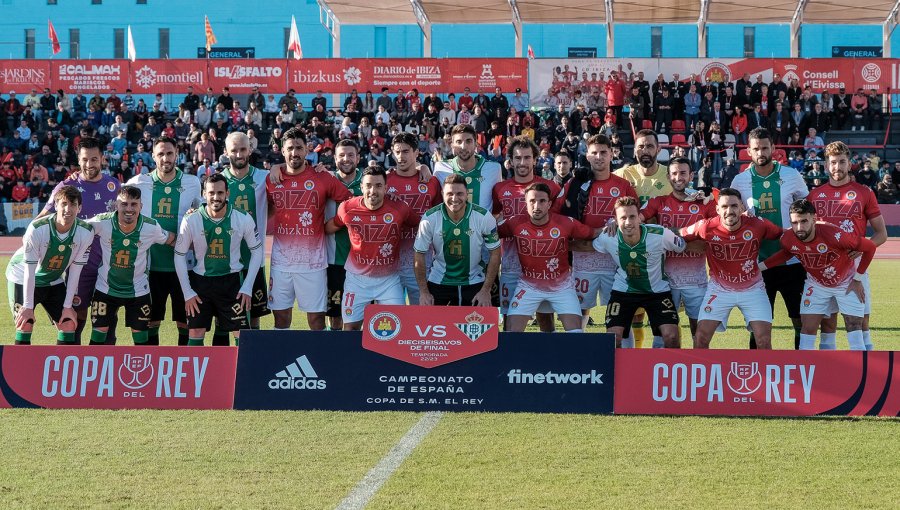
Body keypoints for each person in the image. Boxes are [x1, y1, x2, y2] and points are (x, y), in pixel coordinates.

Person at [759, 199, 875, 351]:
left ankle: (861, 370)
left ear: (814, 219)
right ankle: (808, 370)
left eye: (804, 221)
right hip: (817, 285)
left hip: (846, 282)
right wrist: (759, 267)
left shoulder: (836, 235)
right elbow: (787, 253)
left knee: (853, 325)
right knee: (807, 328)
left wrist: (858, 278)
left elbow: (870, 247)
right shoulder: (787, 238)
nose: (799, 227)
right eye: (794, 222)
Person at [266, 128, 353, 331]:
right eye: (290, 149)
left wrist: (334, 224)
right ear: (281, 150)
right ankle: (282, 361)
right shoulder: (272, 179)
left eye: (299, 148)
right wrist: (274, 167)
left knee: (316, 322)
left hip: (313, 265)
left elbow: (350, 202)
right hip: (280, 264)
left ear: (307, 150)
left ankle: (318, 362)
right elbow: (266, 207)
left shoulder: (322, 177)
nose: (294, 153)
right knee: (280, 320)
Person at [731, 127, 809, 349]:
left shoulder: (791, 176)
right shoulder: (739, 181)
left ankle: (801, 364)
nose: (761, 152)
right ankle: (758, 371)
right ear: (748, 151)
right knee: (759, 324)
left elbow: (807, 210)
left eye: (765, 147)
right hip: (757, 264)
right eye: (756, 149)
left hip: (792, 261)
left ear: (774, 148)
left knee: (799, 319)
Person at [38, 137, 120, 344]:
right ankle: (70, 368)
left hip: (107, 267)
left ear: (102, 158)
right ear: (78, 159)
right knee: (75, 318)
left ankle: (104, 369)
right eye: (85, 159)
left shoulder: (115, 186)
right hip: (77, 267)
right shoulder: (66, 187)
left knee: (107, 319)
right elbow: (40, 221)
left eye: (94, 159)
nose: (89, 165)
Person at [554, 134, 638, 334]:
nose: (599, 157)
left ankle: (625, 357)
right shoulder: (574, 184)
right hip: (583, 260)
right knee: (580, 310)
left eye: (603, 152)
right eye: (594, 153)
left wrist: (620, 223)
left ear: (611, 154)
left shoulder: (623, 186)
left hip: (615, 261)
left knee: (620, 313)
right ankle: (579, 358)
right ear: (587, 156)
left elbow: (637, 216)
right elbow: (556, 214)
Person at [679, 188, 784, 349]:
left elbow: (783, 236)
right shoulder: (706, 227)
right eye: (725, 207)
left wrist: (815, 226)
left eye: (734, 206)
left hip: (753, 289)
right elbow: (677, 235)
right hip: (719, 290)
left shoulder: (758, 224)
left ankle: (764, 374)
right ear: (717, 209)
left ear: (742, 207)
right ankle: (704, 373)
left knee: (763, 340)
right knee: (700, 337)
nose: (730, 211)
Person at [809, 141, 886, 350]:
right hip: (823, 268)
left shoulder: (864, 192)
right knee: (827, 323)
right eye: (833, 162)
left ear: (849, 163)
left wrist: (862, 247)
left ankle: (869, 372)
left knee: (860, 322)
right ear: (826, 165)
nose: (837, 167)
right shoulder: (814, 195)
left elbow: (882, 234)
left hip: (855, 269)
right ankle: (829, 375)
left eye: (842, 162)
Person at [125, 136, 201, 346]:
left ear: (177, 154)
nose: (165, 158)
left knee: (185, 321)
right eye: (161, 154)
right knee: (151, 321)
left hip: (183, 266)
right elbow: (119, 203)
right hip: (150, 266)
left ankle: (184, 366)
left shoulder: (192, 182)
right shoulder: (138, 182)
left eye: (169, 153)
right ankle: (153, 366)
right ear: (153, 156)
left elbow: (201, 215)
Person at [324, 166, 420, 330]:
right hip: (356, 281)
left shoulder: (400, 208)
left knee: (397, 328)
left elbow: (419, 225)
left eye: (378, 185)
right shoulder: (347, 208)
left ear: (386, 188)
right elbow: (329, 227)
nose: (372, 190)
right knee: (350, 328)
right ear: (361, 187)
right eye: (368, 185)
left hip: (389, 281)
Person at [174, 173, 263, 346]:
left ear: (227, 194)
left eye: (220, 193)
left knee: (241, 333)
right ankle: (196, 373)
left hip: (232, 283)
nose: (216, 197)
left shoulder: (242, 217)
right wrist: (188, 292)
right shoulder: (191, 219)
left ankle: (243, 373)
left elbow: (257, 250)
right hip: (201, 283)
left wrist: (247, 287)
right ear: (204, 194)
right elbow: (179, 254)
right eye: (211, 193)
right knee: (196, 331)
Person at [498, 183, 599, 332]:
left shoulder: (565, 223)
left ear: (549, 204)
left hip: (562, 288)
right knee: (512, 333)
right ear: (525, 203)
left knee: (576, 335)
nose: (536, 206)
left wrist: (614, 226)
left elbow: (592, 233)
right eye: (532, 201)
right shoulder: (514, 223)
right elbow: (489, 233)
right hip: (528, 287)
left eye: (542, 201)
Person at [586, 197, 685, 348]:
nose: (628, 222)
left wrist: (674, 231)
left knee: (671, 336)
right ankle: (621, 370)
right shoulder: (608, 237)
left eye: (632, 217)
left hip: (657, 292)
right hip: (623, 292)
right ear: (615, 220)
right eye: (623, 218)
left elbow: (681, 246)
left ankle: (667, 370)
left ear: (639, 217)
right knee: (613, 337)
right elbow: (592, 245)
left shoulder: (660, 234)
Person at [639, 158, 717, 342]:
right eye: (674, 173)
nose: (678, 177)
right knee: (662, 335)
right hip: (664, 281)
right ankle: (660, 369)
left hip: (696, 280)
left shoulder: (705, 203)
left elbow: (712, 242)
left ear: (691, 175)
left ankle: (699, 368)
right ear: (668, 177)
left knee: (700, 336)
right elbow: (636, 221)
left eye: (683, 173)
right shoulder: (658, 202)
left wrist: (670, 241)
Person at [85, 186, 175, 345]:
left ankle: (142, 369)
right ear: (116, 205)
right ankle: (93, 369)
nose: (129, 209)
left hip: (138, 292)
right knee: (98, 337)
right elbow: (77, 227)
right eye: (124, 204)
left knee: (141, 340)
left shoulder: (151, 227)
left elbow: (171, 239)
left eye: (134, 204)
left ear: (141, 206)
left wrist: (197, 240)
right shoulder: (102, 222)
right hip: (105, 289)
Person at [6, 186, 93, 345]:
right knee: (25, 324)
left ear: (79, 208)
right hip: (21, 276)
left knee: (68, 323)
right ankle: (21, 368)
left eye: (73, 204)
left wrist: (68, 306)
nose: (68, 209)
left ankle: (62, 369)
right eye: (63, 204)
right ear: (56, 205)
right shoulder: (37, 228)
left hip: (52, 278)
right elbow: (29, 270)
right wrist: (27, 306)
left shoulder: (85, 232)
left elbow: (75, 271)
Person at [491, 136, 561, 330]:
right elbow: (494, 216)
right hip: (511, 263)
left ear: (535, 159)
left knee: (545, 318)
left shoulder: (551, 187)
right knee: (510, 318)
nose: (522, 162)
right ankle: (510, 358)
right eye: (518, 158)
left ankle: (549, 358)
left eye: (527, 157)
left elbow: (560, 222)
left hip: (542, 262)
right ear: (510, 161)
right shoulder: (500, 188)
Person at [614, 129, 671, 347]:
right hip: (629, 250)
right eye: (640, 146)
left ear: (658, 148)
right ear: (634, 149)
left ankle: (657, 358)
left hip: (661, 253)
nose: (644, 150)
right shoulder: (623, 175)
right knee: (633, 312)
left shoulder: (669, 175)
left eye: (649, 146)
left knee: (660, 313)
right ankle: (636, 355)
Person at [414, 173, 500, 306]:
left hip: (474, 282)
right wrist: (424, 292)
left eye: (459, 193)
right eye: (449, 194)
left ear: (467, 194)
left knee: (476, 325)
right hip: (439, 282)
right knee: (436, 325)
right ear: (442, 194)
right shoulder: (429, 218)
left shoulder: (483, 217)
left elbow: (495, 253)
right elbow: (418, 254)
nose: (454, 198)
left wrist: (485, 290)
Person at [218, 132, 272, 342]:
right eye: (234, 150)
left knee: (255, 315)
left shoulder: (264, 177)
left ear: (250, 149)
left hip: (253, 259)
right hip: (225, 260)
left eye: (242, 149)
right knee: (225, 315)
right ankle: (227, 363)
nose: (239, 154)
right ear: (226, 152)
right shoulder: (218, 181)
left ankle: (252, 359)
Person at [386, 132, 441, 304]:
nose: (401, 156)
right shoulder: (384, 181)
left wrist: (423, 167)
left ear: (416, 152)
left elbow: (439, 218)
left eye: (406, 151)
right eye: (397, 152)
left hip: (423, 264)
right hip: (390, 266)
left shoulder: (431, 181)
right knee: (392, 321)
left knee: (423, 319)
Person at [324, 139, 365, 331]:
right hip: (334, 260)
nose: (346, 159)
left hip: (364, 263)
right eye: (341, 155)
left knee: (360, 316)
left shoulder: (369, 182)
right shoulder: (325, 179)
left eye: (350, 155)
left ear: (358, 157)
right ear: (335, 158)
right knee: (335, 316)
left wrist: (422, 166)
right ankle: (334, 355)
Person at [434, 123, 502, 211]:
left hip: (483, 224)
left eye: (468, 141)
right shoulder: (440, 168)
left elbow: (497, 207)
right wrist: (423, 168)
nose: (463, 147)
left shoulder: (494, 169)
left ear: (476, 144)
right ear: (452, 145)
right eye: (459, 142)